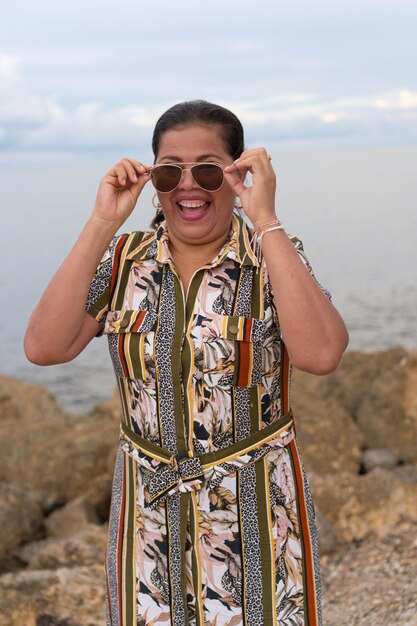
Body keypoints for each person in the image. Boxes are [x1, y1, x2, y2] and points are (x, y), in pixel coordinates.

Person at [24, 100, 349, 626]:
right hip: (148, 518)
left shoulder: (273, 256)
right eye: (171, 170)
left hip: (257, 514)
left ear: (238, 173)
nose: (188, 185)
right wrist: (103, 221)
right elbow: (44, 346)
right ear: (155, 178)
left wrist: (265, 218)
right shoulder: (126, 260)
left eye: (207, 169)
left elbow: (322, 354)